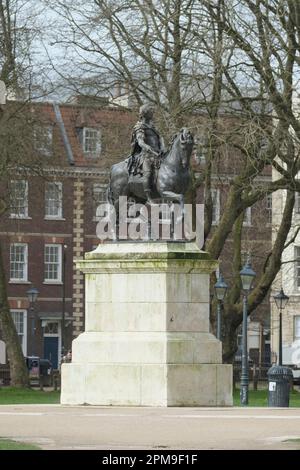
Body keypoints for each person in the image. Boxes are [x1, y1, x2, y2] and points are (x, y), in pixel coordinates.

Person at [128, 104, 164, 204]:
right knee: (148, 173)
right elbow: (140, 142)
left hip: (158, 154)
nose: (153, 113)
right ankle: (148, 197)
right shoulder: (139, 126)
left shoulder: (153, 126)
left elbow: (160, 139)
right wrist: (147, 148)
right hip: (145, 155)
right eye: (151, 111)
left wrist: (162, 148)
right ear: (145, 114)